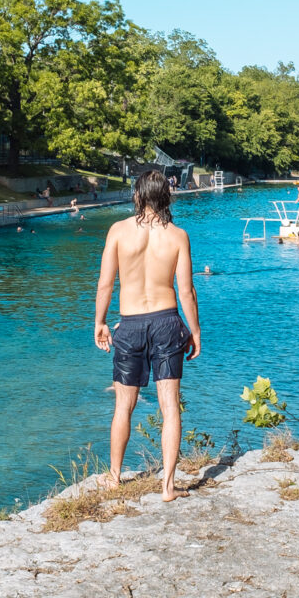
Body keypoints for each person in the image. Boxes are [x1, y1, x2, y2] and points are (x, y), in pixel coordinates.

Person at [94, 170, 200, 503]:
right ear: (166, 197)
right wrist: (194, 331)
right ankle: (167, 486)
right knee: (170, 408)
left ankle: (114, 478)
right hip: (168, 322)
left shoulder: (118, 231)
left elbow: (105, 284)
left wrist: (99, 322)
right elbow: (186, 291)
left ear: (138, 196)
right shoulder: (178, 236)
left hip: (131, 324)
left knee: (123, 407)